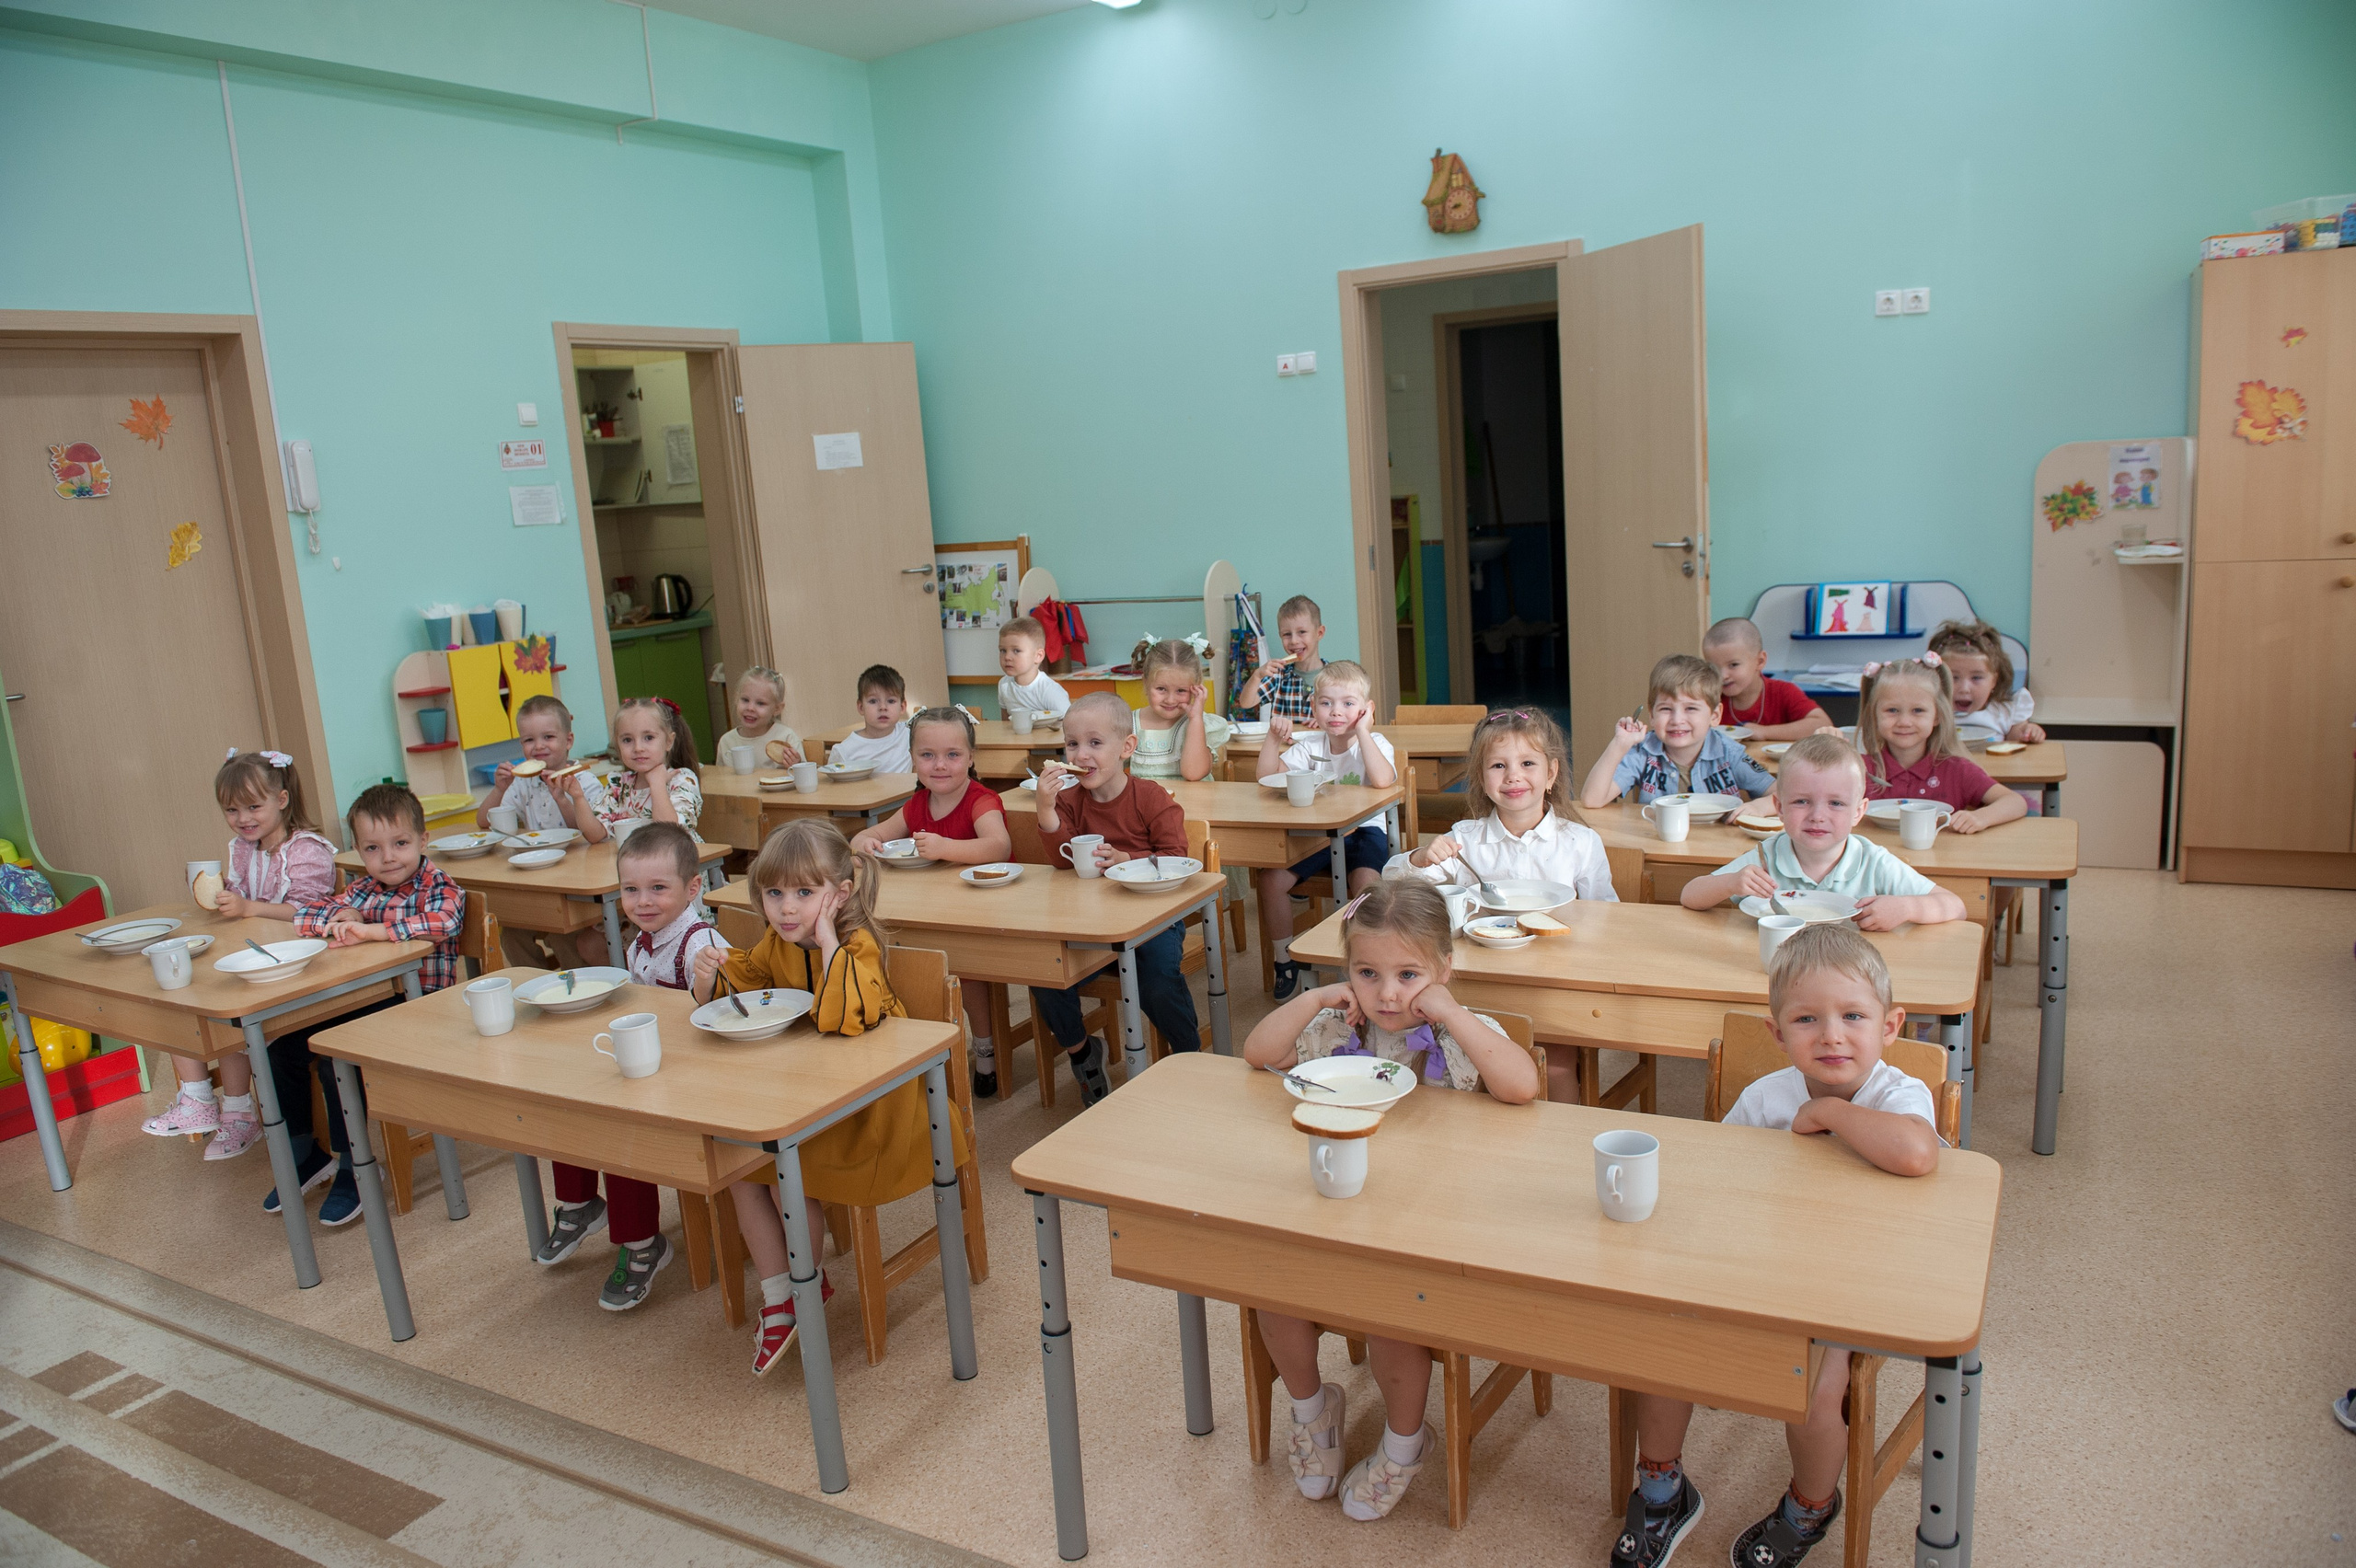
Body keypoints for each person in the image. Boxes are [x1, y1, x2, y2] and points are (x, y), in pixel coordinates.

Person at [1610, 923, 1941, 1568]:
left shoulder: (1898, 1094)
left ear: (1891, 1025)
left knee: (1817, 1384)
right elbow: (1719, 1177)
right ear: (1777, 1032)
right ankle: (1662, 1487)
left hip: (1857, 1281)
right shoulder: (1765, 1097)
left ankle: (1812, 1505)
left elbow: (1916, 1153)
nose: (1832, 1035)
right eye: (1808, 1019)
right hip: (1761, 1266)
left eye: (1853, 1016)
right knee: (1664, 1335)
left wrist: (1830, 1115)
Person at [1242, 881, 1537, 1522]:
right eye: (1366, 973)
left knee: (1388, 1308)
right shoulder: (1336, 1030)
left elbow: (1520, 1086)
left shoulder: (1461, 1035)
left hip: (1432, 1228)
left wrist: (1453, 1012)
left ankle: (1406, 1443)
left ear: (1442, 971)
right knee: (1267, 1283)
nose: (1388, 994)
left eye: (1408, 975)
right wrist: (1320, 996)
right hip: (1338, 1212)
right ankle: (1313, 1410)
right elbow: (1259, 1053)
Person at [689, 820, 970, 1375]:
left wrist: (827, 944)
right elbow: (751, 985)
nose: (786, 909)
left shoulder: (857, 945)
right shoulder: (779, 940)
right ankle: (788, 1294)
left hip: (883, 1118)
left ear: (840, 895)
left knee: (779, 1161)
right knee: (741, 1165)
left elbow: (844, 1020)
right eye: (774, 894)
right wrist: (711, 976)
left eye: (803, 893)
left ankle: (799, 1287)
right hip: (816, 1102)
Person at [537, 823, 724, 1309]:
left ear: (693, 888)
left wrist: (702, 988)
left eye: (658, 889)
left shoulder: (699, 943)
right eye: (630, 889)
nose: (643, 901)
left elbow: (715, 1015)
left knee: (621, 1131)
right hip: (653, 1065)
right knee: (569, 1096)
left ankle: (642, 1243)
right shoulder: (644, 941)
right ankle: (579, 1203)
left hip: (694, 1076)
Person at [272, 784, 466, 1226]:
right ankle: (306, 1152)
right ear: (358, 851)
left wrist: (375, 928)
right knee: (281, 1048)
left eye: (400, 844)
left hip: (421, 1010)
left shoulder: (437, 886)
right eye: (374, 848)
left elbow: (443, 921)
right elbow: (309, 915)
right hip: (369, 1000)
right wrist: (347, 917)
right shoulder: (363, 890)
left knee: (334, 1059)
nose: (389, 857)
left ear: (422, 841)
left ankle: (354, 1167)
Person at [144, 750, 339, 1159]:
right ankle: (202, 1100)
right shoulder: (243, 848)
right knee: (181, 991)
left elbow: (309, 913)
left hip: (298, 967)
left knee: (227, 1013)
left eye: (253, 806)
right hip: (254, 959)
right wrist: (213, 892)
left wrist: (249, 908)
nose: (243, 818)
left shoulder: (308, 850)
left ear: (282, 800)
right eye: (232, 809)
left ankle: (239, 1112)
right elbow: (240, 899)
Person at [1032, 692, 1201, 1102]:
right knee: (1043, 969)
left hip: (1152, 919)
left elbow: (1178, 858)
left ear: (1127, 748)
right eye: (1072, 744)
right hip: (1090, 922)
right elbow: (1060, 862)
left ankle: (1190, 1056)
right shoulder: (1070, 801)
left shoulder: (1150, 797)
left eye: (1094, 743)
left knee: (1157, 976)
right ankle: (1082, 1051)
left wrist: (1130, 860)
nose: (1081, 754)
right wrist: (1045, 808)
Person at [851, 708, 1012, 1094]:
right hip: (926, 911)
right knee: (902, 960)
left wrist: (945, 847)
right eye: (927, 755)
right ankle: (922, 1047)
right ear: (912, 758)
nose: (940, 765)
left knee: (966, 971)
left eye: (953, 755)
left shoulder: (980, 800)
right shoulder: (917, 804)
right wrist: (867, 843)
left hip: (978, 912)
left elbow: (998, 845)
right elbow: (862, 838)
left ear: (971, 758)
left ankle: (985, 1048)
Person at [1678, 733, 1966, 929]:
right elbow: (1689, 896)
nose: (1817, 816)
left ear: (1859, 811)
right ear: (1778, 807)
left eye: (1836, 803)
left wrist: (1906, 909)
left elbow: (1955, 905)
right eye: (1802, 801)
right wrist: (1730, 883)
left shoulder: (1874, 862)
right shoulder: (1765, 858)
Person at [1254, 661, 1398, 1000]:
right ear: (1313, 707)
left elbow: (1381, 780)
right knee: (1270, 879)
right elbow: (1265, 780)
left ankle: (1367, 963)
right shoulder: (1310, 746)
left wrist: (1363, 732)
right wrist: (1273, 741)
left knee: (1365, 887)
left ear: (1366, 710)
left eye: (1348, 704)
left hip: (1365, 832)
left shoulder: (1375, 742)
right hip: (1318, 835)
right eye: (1326, 703)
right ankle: (1284, 958)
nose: (1336, 712)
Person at [1385, 708, 1612, 899]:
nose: (1513, 776)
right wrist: (1420, 857)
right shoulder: (1465, 841)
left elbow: (1605, 915)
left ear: (1551, 774)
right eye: (1498, 766)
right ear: (1482, 778)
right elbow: (1390, 878)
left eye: (1527, 763)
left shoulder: (1582, 843)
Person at [478, 695, 609, 967]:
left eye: (548, 737)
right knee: (511, 935)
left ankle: (578, 988)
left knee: (562, 936)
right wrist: (500, 788)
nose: (538, 746)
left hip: (579, 878)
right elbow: (483, 821)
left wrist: (563, 798)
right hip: (538, 878)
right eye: (529, 740)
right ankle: (538, 988)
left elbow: (591, 835)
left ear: (568, 741)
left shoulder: (584, 780)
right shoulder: (523, 783)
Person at [1855, 656, 2026, 834]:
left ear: (1937, 716)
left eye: (1918, 711)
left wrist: (1981, 817)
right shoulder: (1857, 769)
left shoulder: (1957, 770)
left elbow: (2015, 802)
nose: (1904, 722)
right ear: (1874, 715)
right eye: (1892, 710)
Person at [1579, 655, 1774, 808]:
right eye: (1665, 709)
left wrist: (1758, 807)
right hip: (1658, 850)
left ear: (1715, 716)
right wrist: (1619, 745)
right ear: (1652, 716)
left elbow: (1780, 794)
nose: (1677, 720)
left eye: (1691, 709)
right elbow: (1591, 800)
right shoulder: (1642, 752)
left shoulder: (1729, 752)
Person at [1702, 617, 1833, 739]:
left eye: (1733, 665)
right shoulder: (1709, 697)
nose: (1723, 676)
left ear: (1760, 661)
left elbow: (1823, 725)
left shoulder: (1783, 692)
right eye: (1714, 668)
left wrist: (1764, 732)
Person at [1924, 620, 2043, 745]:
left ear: (1994, 681)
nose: (1965, 689)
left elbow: (2016, 739)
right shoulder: (1929, 710)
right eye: (1954, 677)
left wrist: (2028, 732)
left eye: (1976, 678)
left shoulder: (2004, 712)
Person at [1129, 638, 1231, 782]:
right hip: (1145, 804)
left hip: (1191, 804)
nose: (1170, 700)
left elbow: (1193, 774)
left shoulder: (1201, 725)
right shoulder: (1128, 724)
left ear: (1197, 687)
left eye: (1181, 690)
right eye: (1161, 689)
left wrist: (1195, 720)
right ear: (1145, 682)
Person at [596, 697, 702, 831]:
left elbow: (670, 832)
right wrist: (578, 798)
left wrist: (657, 784)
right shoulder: (618, 784)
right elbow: (596, 834)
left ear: (669, 741)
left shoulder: (682, 779)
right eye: (627, 740)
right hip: (633, 852)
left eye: (649, 738)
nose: (638, 748)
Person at [1247, 594, 1328, 722]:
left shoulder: (1336, 677)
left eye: (1302, 632)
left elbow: (1347, 716)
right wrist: (1257, 675)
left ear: (1319, 633)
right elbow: (1246, 702)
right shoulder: (1278, 675)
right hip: (1284, 743)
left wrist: (1326, 722)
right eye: (1287, 634)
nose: (1294, 641)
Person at [827, 664, 914, 773]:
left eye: (891, 701)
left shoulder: (910, 735)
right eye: (873, 701)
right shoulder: (844, 751)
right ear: (861, 707)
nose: (883, 707)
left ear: (902, 707)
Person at [715, 665, 804, 767]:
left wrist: (796, 764)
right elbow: (721, 778)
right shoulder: (727, 741)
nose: (750, 708)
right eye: (745, 700)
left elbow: (804, 777)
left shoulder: (786, 737)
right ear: (736, 699)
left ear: (777, 709)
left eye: (760, 703)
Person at [997, 617, 1071, 720]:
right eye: (1003, 650)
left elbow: (1069, 722)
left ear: (1038, 656)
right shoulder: (1004, 685)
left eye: (1016, 651)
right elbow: (1005, 723)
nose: (1007, 657)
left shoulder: (1049, 690)